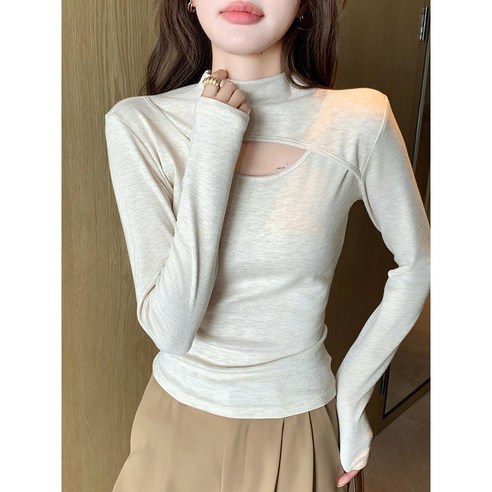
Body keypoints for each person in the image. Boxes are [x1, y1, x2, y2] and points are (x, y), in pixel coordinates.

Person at [104, 0, 430, 490]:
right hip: (177, 425)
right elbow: (172, 330)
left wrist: (352, 396)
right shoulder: (140, 125)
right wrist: (215, 138)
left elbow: (419, 263)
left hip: (301, 421)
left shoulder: (359, 120)